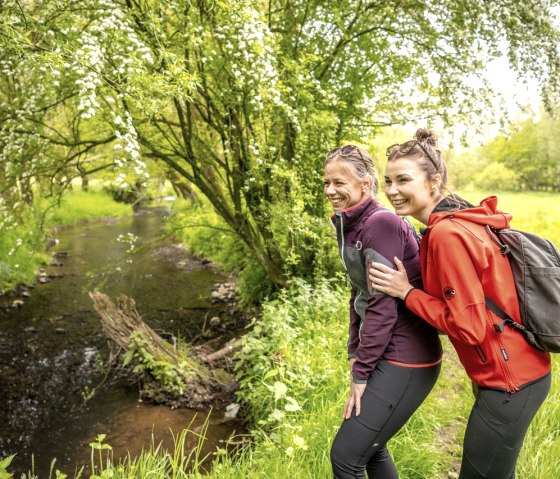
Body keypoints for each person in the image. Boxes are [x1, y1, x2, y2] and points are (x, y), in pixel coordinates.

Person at [369, 128, 551, 479]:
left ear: (433, 181)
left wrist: (407, 293)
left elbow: (469, 327)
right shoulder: (458, 219)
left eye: (403, 180)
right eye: (388, 181)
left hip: (510, 382)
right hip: (515, 373)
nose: (391, 191)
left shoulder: (446, 234)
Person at [324, 145, 443, 479]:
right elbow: (358, 292)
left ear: (365, 183)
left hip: (408, 357)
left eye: (340, 182)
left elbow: (381, 306)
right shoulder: (349, 224)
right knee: (371, 450)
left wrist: (361, 372)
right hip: (387, 352)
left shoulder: (381, 223)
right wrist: (353, 351)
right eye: (327, 182)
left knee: (346, 457)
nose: (331, 190)